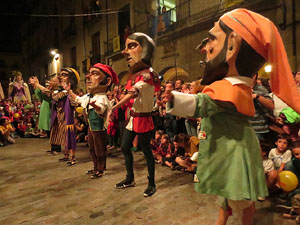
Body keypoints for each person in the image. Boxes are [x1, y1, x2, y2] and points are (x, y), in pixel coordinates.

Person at [163, 8, 300, 225]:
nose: (204, 49)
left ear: (232, 45)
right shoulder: (231, 87)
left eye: (211, 40)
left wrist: (173, 99)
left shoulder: (232, 89)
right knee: (226, 196)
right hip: (229, 154)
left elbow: (203, 104)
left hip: (233, 156)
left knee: (240, 203)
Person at [111, 32, 160, 197]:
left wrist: (113, 107)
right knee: (125, 147)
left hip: (144, 119)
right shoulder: (134, 75)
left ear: (145, 50)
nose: (124, 52)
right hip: (132, 118)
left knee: (147, 151)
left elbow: (132, 94)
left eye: (131, 46)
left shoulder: (149, 74)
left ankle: (151, 183)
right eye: (125, 47)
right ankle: (130, 178)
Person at [67, 63, 119, 179]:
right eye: (89, 73)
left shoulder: (102, 97)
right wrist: (69, 91)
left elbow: (101, 109)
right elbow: (78, 99)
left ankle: (100, 169)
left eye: (95, 74)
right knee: (91, 147)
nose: (88, 77)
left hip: (99, 128)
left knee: (99, 148)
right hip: (91, 127)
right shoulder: (89, 96)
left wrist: (95, 106)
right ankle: (95, 167)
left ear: (107, 81)